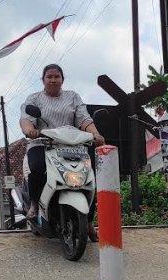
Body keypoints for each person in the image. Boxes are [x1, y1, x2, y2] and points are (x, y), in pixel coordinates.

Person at [19, 64, 105, 242]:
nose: (53, 79)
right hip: (42, 143)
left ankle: (88, 221)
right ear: (43, 80)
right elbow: (26, 119)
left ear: (62, 79)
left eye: (56, 76)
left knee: (89, 176)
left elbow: (84, 119)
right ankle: (35, 204)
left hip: (71, 145)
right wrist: (30, 130)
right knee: (37, 168)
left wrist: (95, 133)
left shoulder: (73, 96)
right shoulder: (34, 99)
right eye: (49, 76)